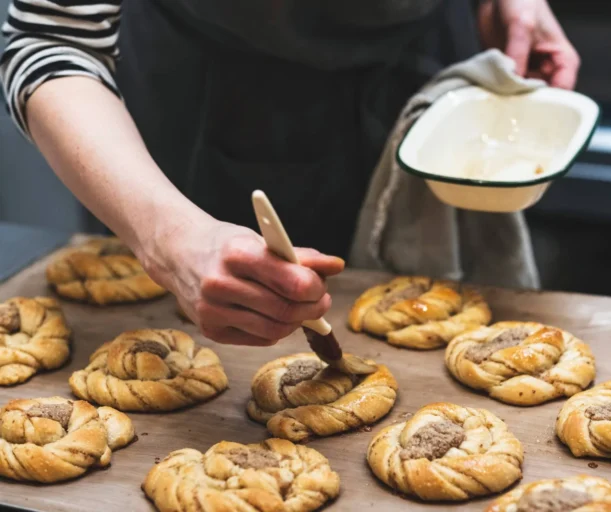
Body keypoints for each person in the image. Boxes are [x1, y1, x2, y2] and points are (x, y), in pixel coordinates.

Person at [1, 0, 579, 346]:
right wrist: (170, 238)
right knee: (240, 329)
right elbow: (50, 37)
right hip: (210, 104)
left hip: (419, 60)